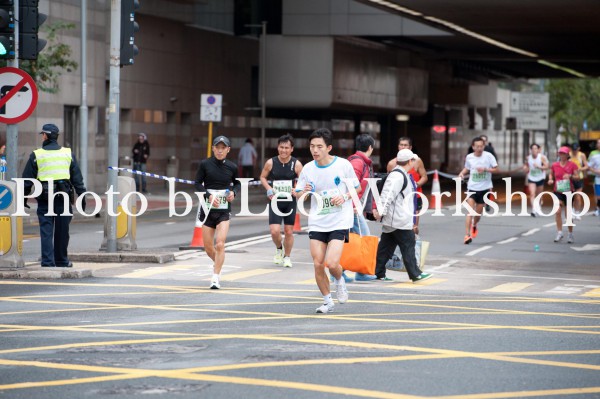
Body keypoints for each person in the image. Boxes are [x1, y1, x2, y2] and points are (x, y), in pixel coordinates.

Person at [294, 128, 360, 314]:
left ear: (329, 147)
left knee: (331, 263)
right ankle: (326, 300)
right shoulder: (307, 168)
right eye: (312, 146)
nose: (315, 150)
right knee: (317, 263)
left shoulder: (343, 165)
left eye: (319, 146)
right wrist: (304, 192)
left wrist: (345, 197)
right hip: (317, 220)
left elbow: (356, 189)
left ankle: (339, 281)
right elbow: (299, 194)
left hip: (339, 219)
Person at [22, 124, 86, 267]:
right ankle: (61, 261)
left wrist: (23, 198)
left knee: (46, 230)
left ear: (45, 135)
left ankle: (47, 262)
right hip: (63, 198)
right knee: (62, 230)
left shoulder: (37, 154)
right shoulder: (68, 153)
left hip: (45, 198)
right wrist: (82, 196)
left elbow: (27, 180)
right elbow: (77, 178)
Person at [373, 148, 432, 282]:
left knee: (386, 247)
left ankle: (379, 273)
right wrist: (380, 212)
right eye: (413, 160)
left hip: (396, 218)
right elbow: (387, 195)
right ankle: (415, 274)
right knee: (408, 244)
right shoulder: (397, 176)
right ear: (409, 161)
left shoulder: (401, 174)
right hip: (398, 219)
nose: (415, 163)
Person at [194, 135, 241, 289]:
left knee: (220, 244)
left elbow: (238, 183)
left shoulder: (232, 167)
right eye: (217, 147)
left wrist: (234, 192)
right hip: (207, 210)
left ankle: (215, 277)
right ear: (213, 148)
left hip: (223, 211)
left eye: (223, 148)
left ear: (228, 150)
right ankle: (218, 264)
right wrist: (209, 195)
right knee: (209, 248)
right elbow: (197, 184)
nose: (220, 151)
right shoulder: (205, 164)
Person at [259, 134, 303, 268]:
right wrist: (268, 188)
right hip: (275, 201)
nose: (283, 150)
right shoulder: (271, 162)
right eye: (281, 147)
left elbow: (303, 181)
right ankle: (279, 248)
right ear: (278, 148)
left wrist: (297, 189)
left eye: (286, 148)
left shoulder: (296, 164)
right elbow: (262, 177)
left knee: (289, 231)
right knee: (274, 231)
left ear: (292, 149)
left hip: (290, 202)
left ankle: (287, 257)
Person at [346, 133, 377, 282]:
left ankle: (341, 271)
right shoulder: (358, 163)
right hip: (351, 208)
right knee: (364, 238)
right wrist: (352, 205)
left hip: (353, 207)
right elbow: (349, 185)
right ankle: (361, 273)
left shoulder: (359, 161)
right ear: (370, 147)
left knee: (349, 240)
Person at [458, 136, 498, 244]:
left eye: (481, 146)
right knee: (470, 212)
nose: (479, 148)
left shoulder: (489, 156)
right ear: (473, 147)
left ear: (483, 146)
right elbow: (467, 168)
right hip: (472, 188)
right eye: (477, 146)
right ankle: (467, 235)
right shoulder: (469, 157)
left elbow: (496, 169)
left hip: (484, 188)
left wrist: (485, 169)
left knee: (478, 214)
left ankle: (474, 225)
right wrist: (462, 173)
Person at [386, 137, 428, 234]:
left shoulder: (417, 161)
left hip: (415, 196)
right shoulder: (392, 164)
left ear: (410, 147)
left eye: (405, 145)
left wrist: (415, 185)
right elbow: (388, 183)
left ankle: (414, 245)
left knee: (413, 227)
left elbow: (424, 177)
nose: (403, 147)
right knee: (397, 227)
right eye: (401, 145)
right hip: (398, 199)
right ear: (398, 147)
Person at [548, 146, 580, 243]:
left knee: (568, 215)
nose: (561, 155)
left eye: (563, 153)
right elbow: (551, 174)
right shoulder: (554, 165)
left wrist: (570, 176)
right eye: (560, 153)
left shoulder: (572, 165)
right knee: (557, 211)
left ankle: (570, 234)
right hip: (558, 191)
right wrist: (550, 179)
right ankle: (559, 232)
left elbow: (577, 177)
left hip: (569, 192)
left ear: (567, 155)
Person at [523, 143, 549, 217]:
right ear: (530, 150)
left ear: (538, 150)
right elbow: (526, 165)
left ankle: (539, 207)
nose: (534, 150)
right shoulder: (528, 158)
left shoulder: (542, 157)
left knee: (539, 195)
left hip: (540, 178)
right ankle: (534, 209)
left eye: (535, 148)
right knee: (532, 194)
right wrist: (525, 168)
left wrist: (539, 166)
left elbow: (547, 167)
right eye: (532, 148)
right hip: (531, 178)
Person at [569, 143, 588, 219]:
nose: (574, 151)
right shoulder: (568, 155)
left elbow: (586, 166)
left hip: (579, 178)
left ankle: (577, 211)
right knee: (571, 196)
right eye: (573, 150)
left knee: (578, 196)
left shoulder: (582, 155)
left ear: (578, 149)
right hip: (570, 178)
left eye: (576, 150)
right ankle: (572, 210)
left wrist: (580, 169)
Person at [588, 139, 600, 216]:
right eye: (598, 143)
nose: (599, 144)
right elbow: (589, 166)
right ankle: (598, 209)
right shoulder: (594, 154)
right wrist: (595, 171)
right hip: (598, 179)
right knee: (598, 196)